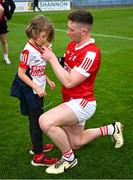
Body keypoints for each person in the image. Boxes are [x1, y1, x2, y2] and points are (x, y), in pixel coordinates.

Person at [39, 9, 124, 174]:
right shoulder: (73, 45)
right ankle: (112, 129)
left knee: (45, 121)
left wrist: (51, 59)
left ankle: (69, 159)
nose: (68, 32)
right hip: (71, 100)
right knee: (76, 142)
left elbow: (69, 81)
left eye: (71, 29)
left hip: (82, 103)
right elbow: (66, 67)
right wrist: (48, 54)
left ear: (83, 31)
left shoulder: (91, 53)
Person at [11, 15, 58, 166]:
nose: (45, 40)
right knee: (37, 123)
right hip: (31, 92)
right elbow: (21, 73)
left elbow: (38, 69)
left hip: (38, 90)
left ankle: (36, 147)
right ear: (34, 32)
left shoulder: (39, 47)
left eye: (47, 37)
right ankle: (38, 157)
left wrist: (47, 79)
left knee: (37, 120)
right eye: (43, 36)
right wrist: (36, 87)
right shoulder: (27, 52)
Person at [0, 0, 16, 64]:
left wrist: (8, 16)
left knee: (4, 41)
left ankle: (6, 58)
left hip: (2, 23)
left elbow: (13, 6)